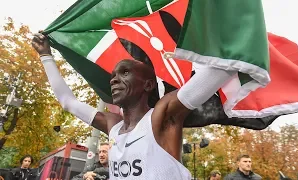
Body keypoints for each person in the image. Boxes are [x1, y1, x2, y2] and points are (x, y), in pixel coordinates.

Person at [32, 33, 235, 180]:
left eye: (125, 73)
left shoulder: (162, 116)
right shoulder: (114, 126)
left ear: (148, 84)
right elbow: (69, 102)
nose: (114, 80)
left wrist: (240, 42)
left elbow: (221, 70)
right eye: (113, 77)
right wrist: (45, 56)